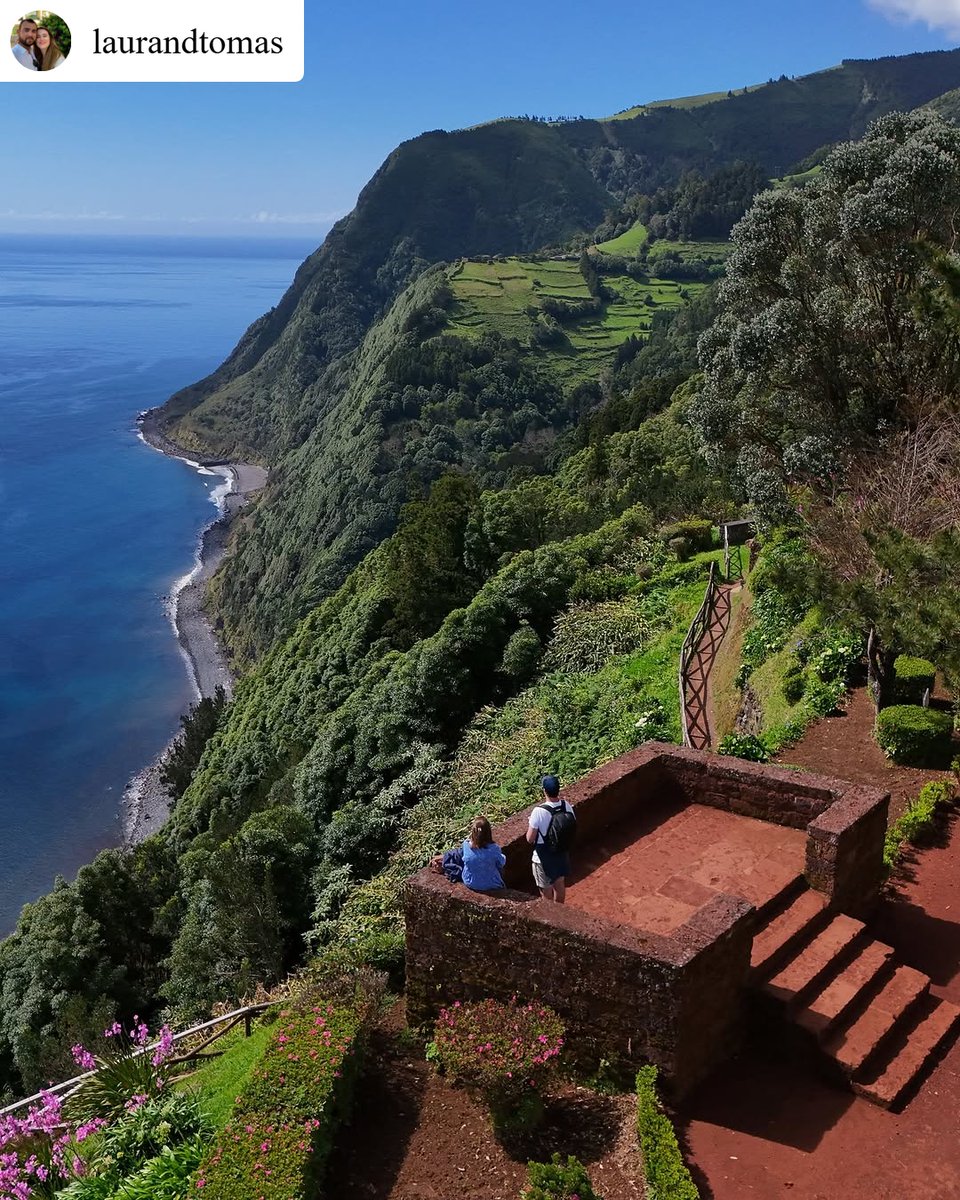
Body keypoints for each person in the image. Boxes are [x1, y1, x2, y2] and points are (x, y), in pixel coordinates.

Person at [526, 774, 576, 903]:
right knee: (559, 884)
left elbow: (530, 839)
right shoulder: (566, 805)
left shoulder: (538, 811)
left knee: (546, 890)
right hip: (561, 851)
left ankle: (551, 913)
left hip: (542, 857)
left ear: (544, 790)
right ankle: (560, 909)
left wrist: (531, 822)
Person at [460, 815, 506, 894]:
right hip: (491, 884)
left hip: (470, 881)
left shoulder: (465, 845)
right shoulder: (494, 848)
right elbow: (501, 863)